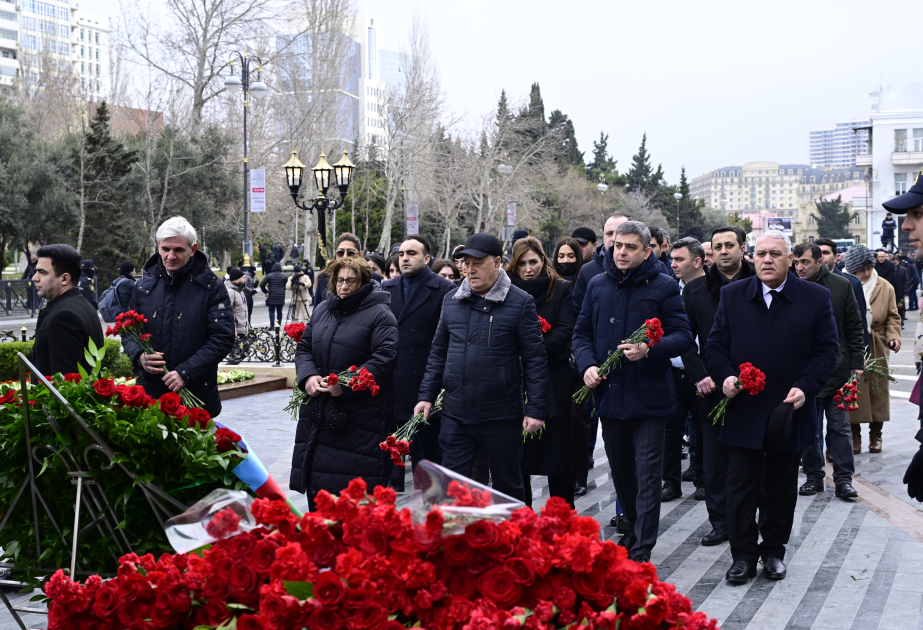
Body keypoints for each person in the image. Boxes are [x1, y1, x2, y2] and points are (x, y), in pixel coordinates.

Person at [705, 230, 838, 585]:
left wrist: (806, 387)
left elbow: (827, 351)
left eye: (775, 254)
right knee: (740, 486)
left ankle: (774, 552)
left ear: (790, 260)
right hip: (742, 408)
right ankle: (743, 556)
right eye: (761, 253)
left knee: (781, 486)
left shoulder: (815, 297)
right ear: (752, 257)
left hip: (788, 409)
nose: (767, 260)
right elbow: (715, 345)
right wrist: (725, 376)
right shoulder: (733, 294)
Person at [572, 221, 693, 562]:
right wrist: (587, 365)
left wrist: (649, 349)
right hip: (610, 395)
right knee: (622, 469)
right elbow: (581, 333)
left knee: (649, 474)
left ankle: (642, 548)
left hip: (651, 396)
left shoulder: (664, 285)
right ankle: (633, 530)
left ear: (647, 251)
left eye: (630, 247)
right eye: (617, 246)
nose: (621, 252)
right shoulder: (597, 284)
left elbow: (683, 336)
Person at [415, 233, 549, 502]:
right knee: (452, 490)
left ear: (497, 262)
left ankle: (513, 531)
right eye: (466, 263)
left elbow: (535, 360)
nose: (470, 269)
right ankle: (458, 531)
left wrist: (535, 409)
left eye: (477, 263)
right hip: (456, 414)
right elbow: (438, 352)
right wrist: (426, 396)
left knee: (507, 488)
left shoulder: (520, 302)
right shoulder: (451, 300)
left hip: (501, 415)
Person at [291, 257, 398, 507]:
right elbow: (304, 348)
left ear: (363, 282)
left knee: (352, 498)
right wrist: (308, 376)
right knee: (319, 494)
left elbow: (384, 359)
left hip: (359, 420)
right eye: (339, 280)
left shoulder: (380, 314)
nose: (344, 286)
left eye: (351, 281)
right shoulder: (322, 309)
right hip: (319, 414)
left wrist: (345, 385)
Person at [683, 225, 756, 547]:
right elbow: (686, 338)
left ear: (742, 248)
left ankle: (748, 520)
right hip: (710, 386)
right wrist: (700, 375)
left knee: (751, 459)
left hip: (754, 385)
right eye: (718, 246)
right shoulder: (695, 290)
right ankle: (720, 522)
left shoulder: (761, 282)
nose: (724, 251)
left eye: (730, 245)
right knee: (714, 460)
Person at [122, 216, 235, 418]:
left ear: (193, 249)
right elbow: (128, 330)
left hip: (195, 397)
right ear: (158, 246)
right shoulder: (144, 286)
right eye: (165, 249)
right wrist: (139, 355)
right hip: (150, 396)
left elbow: (222, 338)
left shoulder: (211, 287)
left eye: (178, 250)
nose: (171, 256)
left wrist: (186, 372)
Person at [381, 236, 457, 483]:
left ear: (426, 259)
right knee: (387, 461)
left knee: (428, 463)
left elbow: (450, 341)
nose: (404, 258)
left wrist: (442, 384)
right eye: (401, 253)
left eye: (411, 253)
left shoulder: (444, 290)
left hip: (427, 387)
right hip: (392, 386)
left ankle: (432, 507)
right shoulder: (386, 288)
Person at [507, 237, 576, 508]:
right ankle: (522, 516)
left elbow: (565, 328)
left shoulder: (561, 288)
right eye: (522, 263)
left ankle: (562, 515)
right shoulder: (505, 290)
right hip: (516, 378)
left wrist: (532, 349)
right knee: (518, 452)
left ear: (543, 261)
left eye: (533, 262)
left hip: (554, 377)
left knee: (557, 451)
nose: (528, 269)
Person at [792, 243, 863, 500]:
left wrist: (857, 364)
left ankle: (844, 480)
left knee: (840, 428)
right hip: (804, 372)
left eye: (805, 262)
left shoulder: (841, 286)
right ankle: (814, 476)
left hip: (837, 370)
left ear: (819, 262)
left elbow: (854, 327)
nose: (800, 268)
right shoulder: (791, 286)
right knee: (808, 428)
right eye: (796, 262)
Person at [661, 237, 707, 503]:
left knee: (702, 430)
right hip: (671, 372)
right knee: (670, 431)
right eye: (672, 259)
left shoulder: (712, 290)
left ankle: (703, 479)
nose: (673, 264)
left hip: (702, 374)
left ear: (697, 261)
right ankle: (670, 482)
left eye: (679, 259)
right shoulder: (668, 289)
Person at [843, 245, 901, 453]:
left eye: (869, 268)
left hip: (876, 344)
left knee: (878, 392)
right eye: (861, 269)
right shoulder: (843, 284)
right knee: (853, 391)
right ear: (851, 269)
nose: (866, 273)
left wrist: (893, 336)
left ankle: (876, 435)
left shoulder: (885, 286)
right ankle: (854, 435)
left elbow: (893, 316)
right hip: (853, 344)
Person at [31, 245, 104, 378]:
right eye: (36, 271)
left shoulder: (64, 316)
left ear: (65, 279)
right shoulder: (82, 305)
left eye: (42, 272)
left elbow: (65, 383)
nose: (35, 278)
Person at [552, 235, 589, 495]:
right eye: (561, 256)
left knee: (577, 420)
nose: (565, 261)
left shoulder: (583, 281)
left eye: (571, 256)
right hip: (554, 359)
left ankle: (579, 474)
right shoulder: (550, 284)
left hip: (577, 361)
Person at [815, 237, 869, 347]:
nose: (821, 256)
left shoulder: (851, 283)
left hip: (841, 350)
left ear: (835, 258)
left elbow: (859, 325)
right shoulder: (803, 282)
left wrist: (863, 353)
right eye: (818, 253)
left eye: (825, 253)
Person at [572, 213, 629, 312]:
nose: (614, 239)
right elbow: (578, 313)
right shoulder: (587, 271)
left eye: (620, 233)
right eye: (609, 233)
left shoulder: (650, 270)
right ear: (603, 235)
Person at [312, 234, 380, 307]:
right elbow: (317, 309)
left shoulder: (372, 277)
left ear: (360, 255)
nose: (345, 256)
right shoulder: (324, 277)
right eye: (340, 253)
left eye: (350, 253)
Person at [260, 262, 289, 328]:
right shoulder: (284, 276)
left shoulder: (269, 275)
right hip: (281, 296)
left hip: (272, 296)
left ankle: (272, 326)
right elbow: (287, 285)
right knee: (279, 312)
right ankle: (278, 325)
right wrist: (283, 288)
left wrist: (266, 291)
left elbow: (262, 284)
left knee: (271, 311)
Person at [224, 267, 250, 338]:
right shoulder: (230, 292)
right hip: (236, 332)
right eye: (243, 278)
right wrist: (233, 329)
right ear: (237, 280)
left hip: (242, 330)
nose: (245, 280)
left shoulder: (240, 290)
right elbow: (227, 312)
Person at [890, 254, 910, 326]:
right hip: (891, 292)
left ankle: (901, 322)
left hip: (900, 292)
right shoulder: (889, 270)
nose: (894, 264)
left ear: (898, 261)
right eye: (893, 262)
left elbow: (906, 281)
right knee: (891, 308)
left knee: (900, 307)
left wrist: (905, 291)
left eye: (895, 262)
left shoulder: (903, 270)